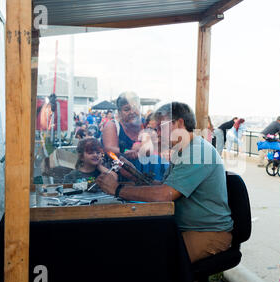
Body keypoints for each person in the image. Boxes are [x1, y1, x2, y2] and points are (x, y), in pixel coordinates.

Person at [96, 102, 233, 263]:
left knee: (151, 261)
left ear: (180, 123)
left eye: (161, 128)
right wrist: (135, 176)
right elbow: (163, 187)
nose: (157, 134)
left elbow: (165, 194)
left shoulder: (198, 151)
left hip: (209, 233)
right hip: (187, 228)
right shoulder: (183, 151)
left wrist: (117, 189)